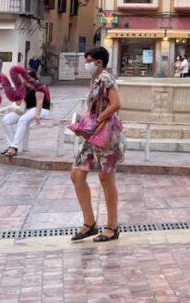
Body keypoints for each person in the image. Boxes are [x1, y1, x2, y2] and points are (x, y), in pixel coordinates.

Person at [70, 47, 126, 243]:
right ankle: (90, 223)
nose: (87, 64)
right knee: (77, 173)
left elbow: (116, 104)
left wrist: (97, 121)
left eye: (89, 60)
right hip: (94, 134)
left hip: (107, 135)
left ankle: (112, 226)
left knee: (106, 178)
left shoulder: (105, 78)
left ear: (99, 62)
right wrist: (82, 124)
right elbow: (94, 108)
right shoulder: (95, 80)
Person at [1, 70, 50, 158]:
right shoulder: (24, 87)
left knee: (23, 119)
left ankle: (14, 147)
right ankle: (11, 145)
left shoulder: (40, 86)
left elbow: (39, 102)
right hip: (27, 110)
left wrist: (37, 115)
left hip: (41, 109)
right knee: (6, 120)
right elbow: (19, 103)